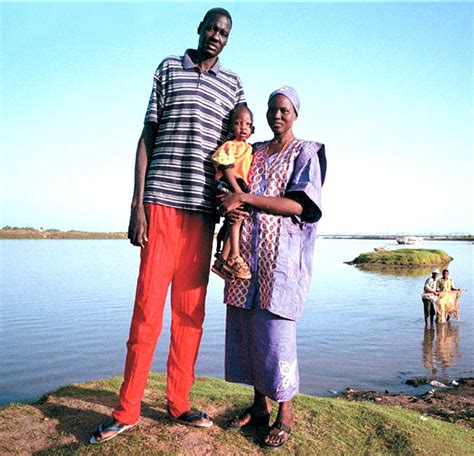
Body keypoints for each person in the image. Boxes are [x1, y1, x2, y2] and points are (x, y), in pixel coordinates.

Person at [90, 8, 246, 444]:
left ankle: (179, 401)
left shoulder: (234, 85)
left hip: (202, 211)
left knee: (190, 314)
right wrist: (136, 204)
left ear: (229, 39)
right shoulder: (168, 68)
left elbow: (236, 148)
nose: (216, 36)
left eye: (224, 33)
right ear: (199, 29)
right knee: (146, 310)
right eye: (212, 28)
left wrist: (233, 205)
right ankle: (127, 409)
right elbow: (147, 136)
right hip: (160, 203)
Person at [218, 86, 326, 449]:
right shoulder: (255, 150)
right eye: (272, 110)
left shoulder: (305, 152)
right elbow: (231, 179)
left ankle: (286, 415)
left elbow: (300, 206)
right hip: (246, 257)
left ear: (295, 114)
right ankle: (258, 407)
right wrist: (230, 202)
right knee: (250, 333)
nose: (276, 115)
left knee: (277, 337)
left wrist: (246, 197)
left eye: (283, 110)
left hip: (281, 261)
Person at [211, 105, 254, 280]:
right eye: (238, 123)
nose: (243, 127)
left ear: (252, 129)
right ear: (231, 127)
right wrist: (238, 192)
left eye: (247, 124)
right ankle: (234, 255)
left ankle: (222, 260)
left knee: (235, 220)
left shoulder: (249, 148)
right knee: (236, 219)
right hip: (229, 185)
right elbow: (225, 167)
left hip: (240, 187)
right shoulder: (230, 145)